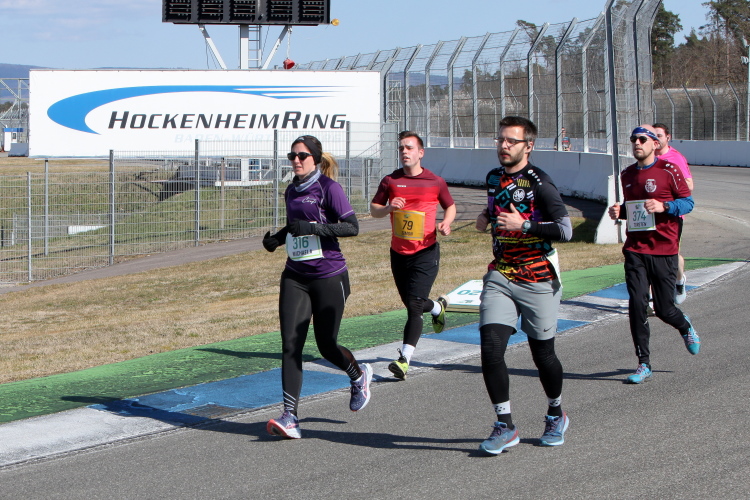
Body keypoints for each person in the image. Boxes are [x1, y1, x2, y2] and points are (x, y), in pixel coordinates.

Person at [262, 135, 372, 439]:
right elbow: (295, 226)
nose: (296, 161)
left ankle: (358, 376)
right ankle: (290, 417)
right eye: (292, 156)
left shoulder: (328, 188)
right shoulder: (291, 190)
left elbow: (351, 226)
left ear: (315, 159)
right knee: (290, 344)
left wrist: (313, 228)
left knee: (326, 345)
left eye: (302, 156)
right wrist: (278, 238)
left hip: (329, 275)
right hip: (295, 276)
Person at [474, 116, 573, 455]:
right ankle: (505, 425)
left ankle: (556, 414)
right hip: (501, 275)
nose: (503, 146)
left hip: (538, 278)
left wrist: (525, 225)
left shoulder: (540, 182)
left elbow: (565, 230)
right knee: (491, 348)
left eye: (511, 141)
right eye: (500, 139)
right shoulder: (493, 178)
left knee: (543, 355)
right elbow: (495, 209)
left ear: (528, 146)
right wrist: (485, 217)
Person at [608, 125, 700, 385]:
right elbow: (633, 209)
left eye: (642, 139)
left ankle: (685, 326)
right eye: (633, 139)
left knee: (664, 309)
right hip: (635, 249)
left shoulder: (669, 170)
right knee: (637, 304)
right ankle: (643, 363)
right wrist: (619, 212)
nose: (637, 143)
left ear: (654, 144)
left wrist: (664, 206)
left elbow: (688, 203)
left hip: (664, 249)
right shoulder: (627, 174)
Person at [370, 131, 456, 380]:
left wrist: (446, 222)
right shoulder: (391, 180)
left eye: (409, 148)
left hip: (426, 251)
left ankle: (404, 360)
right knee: (412, 302)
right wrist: (389, 207)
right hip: (398, 252)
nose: (404, 152)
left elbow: (450, 205)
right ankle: (437, 307)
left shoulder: (435, 181)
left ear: (421, 152)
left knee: (414, 306)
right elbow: (374, 209)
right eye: (401, 148)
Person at [653, 123, 693, 304]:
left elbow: (689, 186)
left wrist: (667, 196)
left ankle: (679, 280)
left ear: (668, 137)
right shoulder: (648, 156)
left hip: (672, 214)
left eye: (659, 135)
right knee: (649, 255)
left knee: (672, 255)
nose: (656, 139)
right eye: (653, 136)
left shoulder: (676, 158)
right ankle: (651, 299)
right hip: (650, 214)